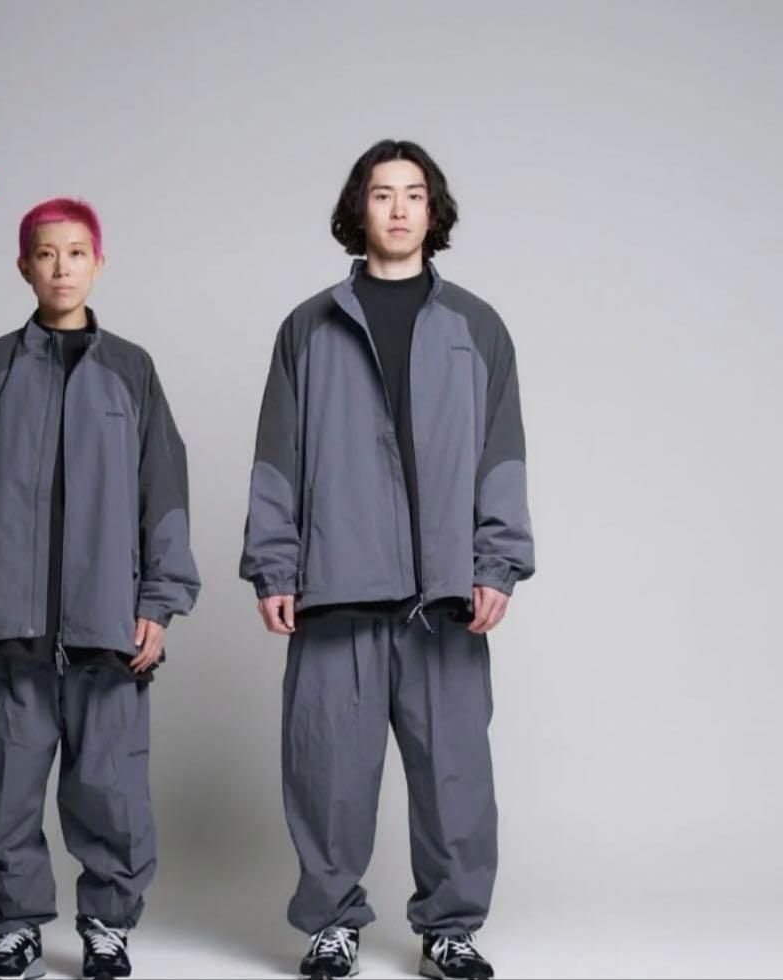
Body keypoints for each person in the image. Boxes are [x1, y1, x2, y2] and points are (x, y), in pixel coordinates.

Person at [239, 140, 535, 980]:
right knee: (327, 772)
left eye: (413, 194)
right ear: (358, 209)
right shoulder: (309, 326)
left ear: (433, 211)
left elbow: (502, 453)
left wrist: (496, 562)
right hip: (339, 587)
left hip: (443, 596)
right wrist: (274, 566)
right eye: (381, 193)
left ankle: (451, 929)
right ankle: (332, 925)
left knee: (455, 776)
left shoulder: (477, 326)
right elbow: (277, 457)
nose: (399, 209)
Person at [0, 197, 200, 980]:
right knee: (5, 787)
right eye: (46, 254)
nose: (62, 267)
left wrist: (159, 602)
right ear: (24, 268)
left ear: (98, 264)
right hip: (11, 626)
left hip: (109, 627)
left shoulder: (132, 371)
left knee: (110, 788)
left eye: (76, 252)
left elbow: (164, 494)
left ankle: (108, 925)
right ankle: (13, 929)